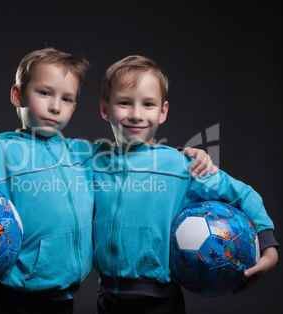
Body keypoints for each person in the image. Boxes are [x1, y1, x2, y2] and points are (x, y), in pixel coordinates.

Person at [0, 48, 215, 314]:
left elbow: (131, 157)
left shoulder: (82, 153)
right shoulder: (0, 154)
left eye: (66, 99)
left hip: (64, 298)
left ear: (74, 107)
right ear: (18, 94)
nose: (54, 106)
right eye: (44, 93)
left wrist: (183, 156)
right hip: (15, 297)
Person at [92, 55, 279, 313]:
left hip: (160, 302)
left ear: (163, 112)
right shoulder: (95, 164)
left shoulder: (182, 165)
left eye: (148, 104)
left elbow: (243, 194)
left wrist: (268, 247)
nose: (136, 114)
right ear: (105, 109)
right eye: (124, 103)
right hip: (107, 299)